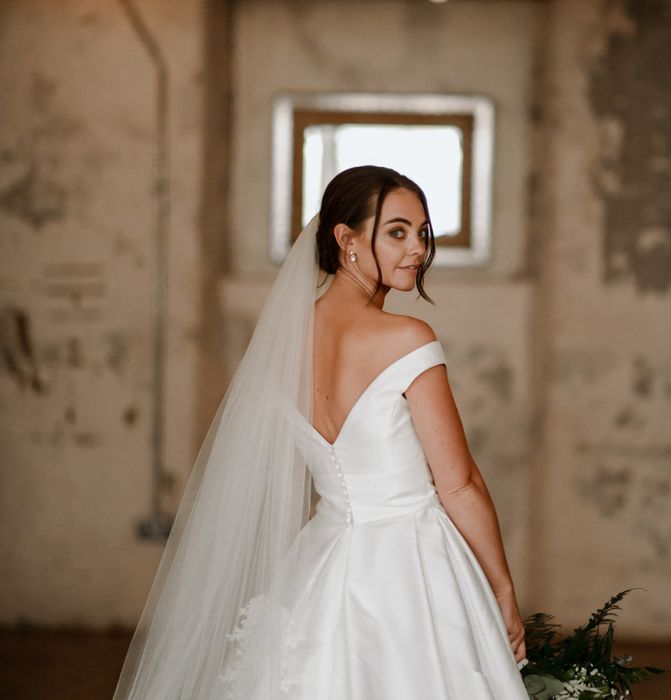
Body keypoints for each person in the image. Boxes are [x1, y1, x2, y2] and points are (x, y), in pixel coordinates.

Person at [113, 165, 528, 699]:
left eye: (423, 233)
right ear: (345, 239)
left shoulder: (285, 340)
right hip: (412, 567)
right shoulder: (407, 338)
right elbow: (459, 484)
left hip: (322, 561)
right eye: (397, 231)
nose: (417, 250)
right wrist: (502, 589)